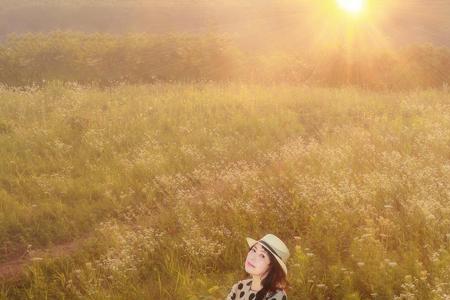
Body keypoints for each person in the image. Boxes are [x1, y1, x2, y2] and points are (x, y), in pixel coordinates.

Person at [226, 233, 290, 300]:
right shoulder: (239, 287)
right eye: (254, 250)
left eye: (262, 256)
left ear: (272, 266)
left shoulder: (277, 296)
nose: (252, 258)